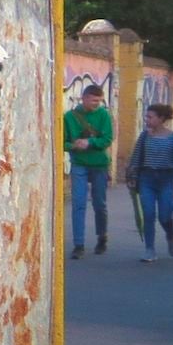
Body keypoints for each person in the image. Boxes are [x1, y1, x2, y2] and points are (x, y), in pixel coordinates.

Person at [126, 103, 173, 262]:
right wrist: (132, 177)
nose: (147, 119)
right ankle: (149, 250)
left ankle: (170, 235)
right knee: (148, 214)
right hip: (146, 179)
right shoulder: (144, 136)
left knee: (164, 215)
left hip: (166, 179)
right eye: (146, 116)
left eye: (150, 117)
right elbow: (136, 157)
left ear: (161, 118)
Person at [63, 83, 113, 258]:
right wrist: (74, 146)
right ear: (83, 98)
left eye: (99, 101)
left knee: (100, 204)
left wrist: (90, 143)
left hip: (99, 164)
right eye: (93, 101)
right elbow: (62, 141)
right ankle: (79, 244)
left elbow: (107, 139)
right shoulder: (69, 117)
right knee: (78, 204)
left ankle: (102, 237)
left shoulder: (104, 115)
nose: (96, 104)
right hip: (79, 163)